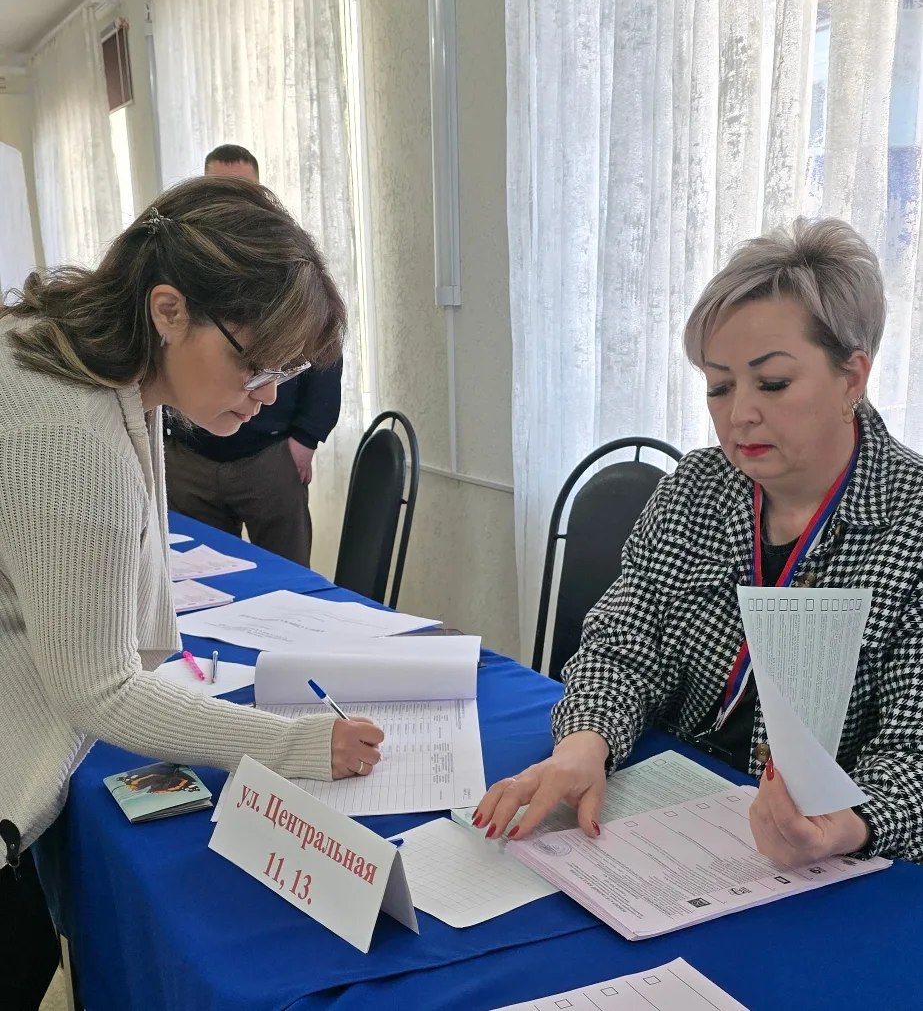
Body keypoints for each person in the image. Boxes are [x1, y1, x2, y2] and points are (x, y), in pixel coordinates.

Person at [0, 176, 383, 1009]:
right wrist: (295, 746)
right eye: (256, 365)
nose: (268, 395)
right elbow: (99, 691)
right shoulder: (70, 434)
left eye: (286, 371)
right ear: (169, 310)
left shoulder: (82, 361)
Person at [475, 218, 923, 868]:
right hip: (670, 817)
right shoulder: (697, 487)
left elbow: (912, 753)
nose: (739, 414)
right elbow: (622, 646)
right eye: (719, 386)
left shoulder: (909, 521)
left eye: (772, 383)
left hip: (829, 868)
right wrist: (583, 744)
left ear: (851, 377)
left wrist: (845, 826)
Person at [164, 144, 342, 566]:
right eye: (219, 190)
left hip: (269, 454)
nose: (232, 202)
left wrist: (306, 439)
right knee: (200, 574)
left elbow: (325, 349)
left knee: (289, 576)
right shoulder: (179, 264)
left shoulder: (287, 261)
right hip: (191, 455)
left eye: (243, 191)